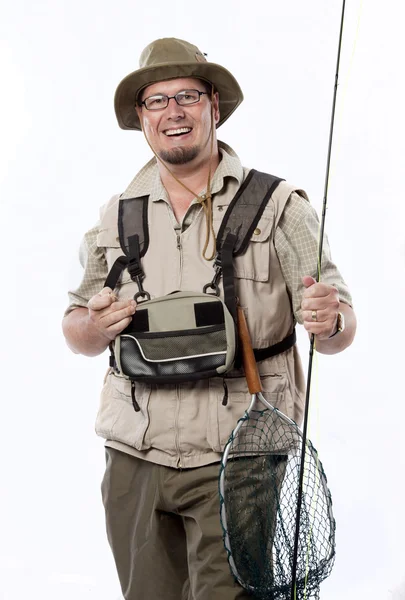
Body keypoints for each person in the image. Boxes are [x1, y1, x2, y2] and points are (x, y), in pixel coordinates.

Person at [62, 37, 357, 600]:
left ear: (213, 107)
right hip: (133, 453)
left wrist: (330, 320)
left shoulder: (279, 206)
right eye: (157, 101)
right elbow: (76, 326)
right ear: (141, 119)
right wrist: (92, 328)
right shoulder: (116, 215)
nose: (173, 112)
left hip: (239, 454)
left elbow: (338, 325)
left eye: (188, 96)